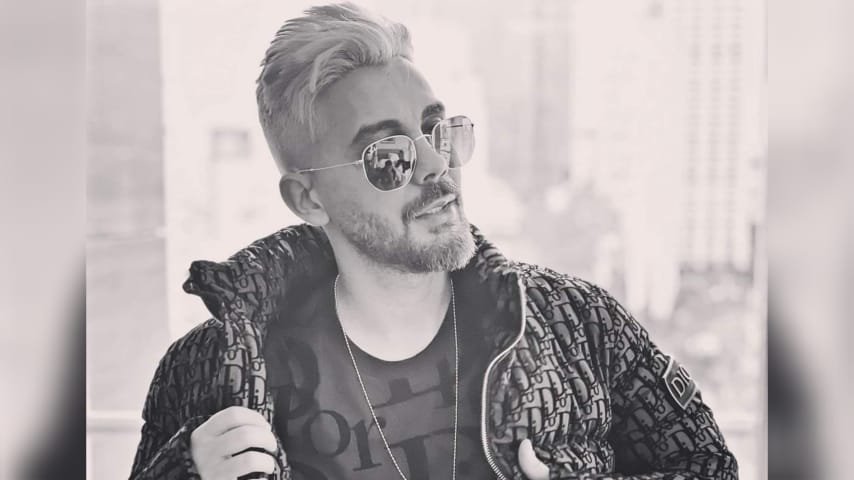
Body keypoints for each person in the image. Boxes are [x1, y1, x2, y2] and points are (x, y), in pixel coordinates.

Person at [129, 3, 738, 479]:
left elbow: (711, 468)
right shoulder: (209, 372)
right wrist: (182, 473)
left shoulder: (580, 324)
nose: (436, 167)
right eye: (388, 156)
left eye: (436, 131)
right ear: (308, 198)